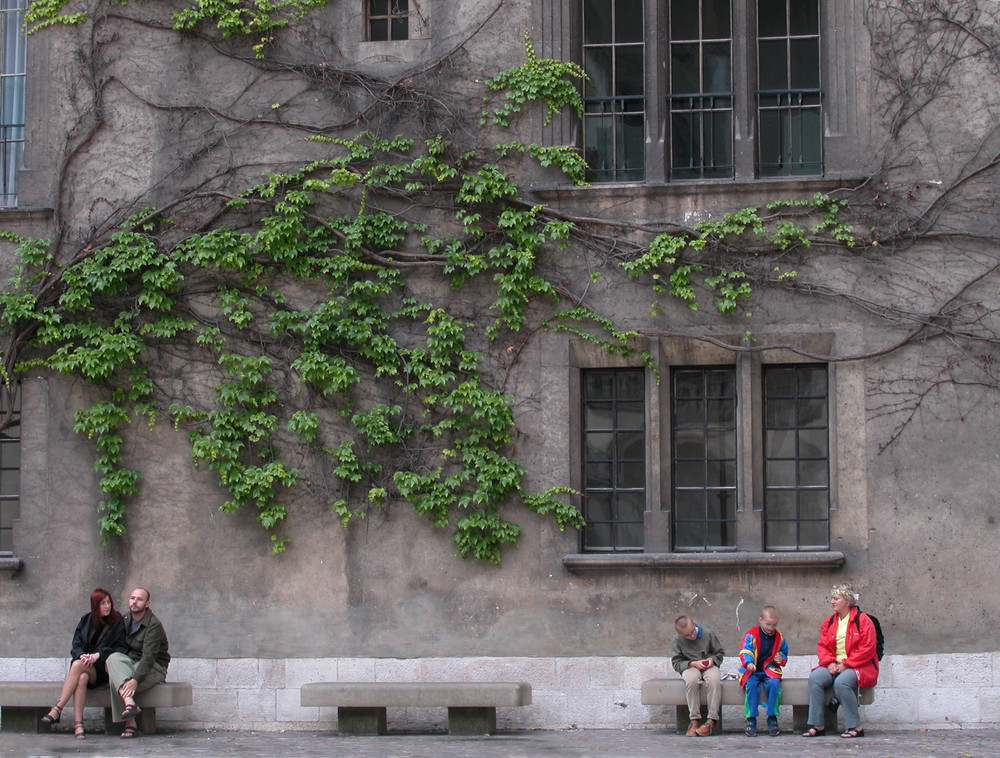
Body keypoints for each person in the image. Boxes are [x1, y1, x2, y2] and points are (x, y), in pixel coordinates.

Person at [39, 587, 127, 740]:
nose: (108, 606)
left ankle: (58, 708)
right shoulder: (86, 620)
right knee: (81, 677)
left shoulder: (117, 621)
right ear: (95, 606)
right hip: (86, 669)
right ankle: (78, 725)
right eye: (103, 603)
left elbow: (120, 648)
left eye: (109, 602)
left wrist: (97, 655)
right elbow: (76, 646)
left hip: (103, 670)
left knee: (77, 665)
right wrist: (83, 655)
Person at [802, 582, 879, 739]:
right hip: (834, 665)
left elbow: (868, 648)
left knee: (841, 683)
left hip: (860, 666)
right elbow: (822, 646)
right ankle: (817, 725)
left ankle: (855, 726)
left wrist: (846, 664)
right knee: (815, 678)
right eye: (832, 598)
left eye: (836, 598)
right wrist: (830, 662)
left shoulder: (863, 620)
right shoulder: (829, 622)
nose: (832, 602)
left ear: (847, 600)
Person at [106, 587, 171, 739]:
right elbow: (118, 646)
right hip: (132, 662)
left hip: (154, 668)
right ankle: (130, 703)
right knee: (112, 658)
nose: (134, 602)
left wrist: (135, 680)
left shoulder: (153, 624)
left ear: (147, 604)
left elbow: (148, 658)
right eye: (132, 598)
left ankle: (131, 725)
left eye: (139, 599)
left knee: (116, 681)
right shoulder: (126, 619)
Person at [738, 605, 788, 737]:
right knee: (751, 686)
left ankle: (772, 716)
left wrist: (780, 659)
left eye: (774, 625)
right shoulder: (751, 634)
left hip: (769, 669)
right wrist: (748, 663)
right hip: (752, 670)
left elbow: (784, 653)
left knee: (774, 684)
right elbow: (745, 650)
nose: (771, 628)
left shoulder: (779, 637)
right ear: (760, 620)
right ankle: (751, 718)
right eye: (768, 624)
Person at [670, 615, 725, 736]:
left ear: (694, 624)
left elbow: (719, 653)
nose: (691, 636)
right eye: (687, 635)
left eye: (692, 632)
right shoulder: (677, 640)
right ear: (680, 634)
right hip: (690, 665)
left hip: (708, 664)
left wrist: (712, 660)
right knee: (691, 681)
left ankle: (712, 720)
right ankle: (694, 720)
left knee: (714, 680)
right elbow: (676, 663)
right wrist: (692, 663)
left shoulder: (708, 634)